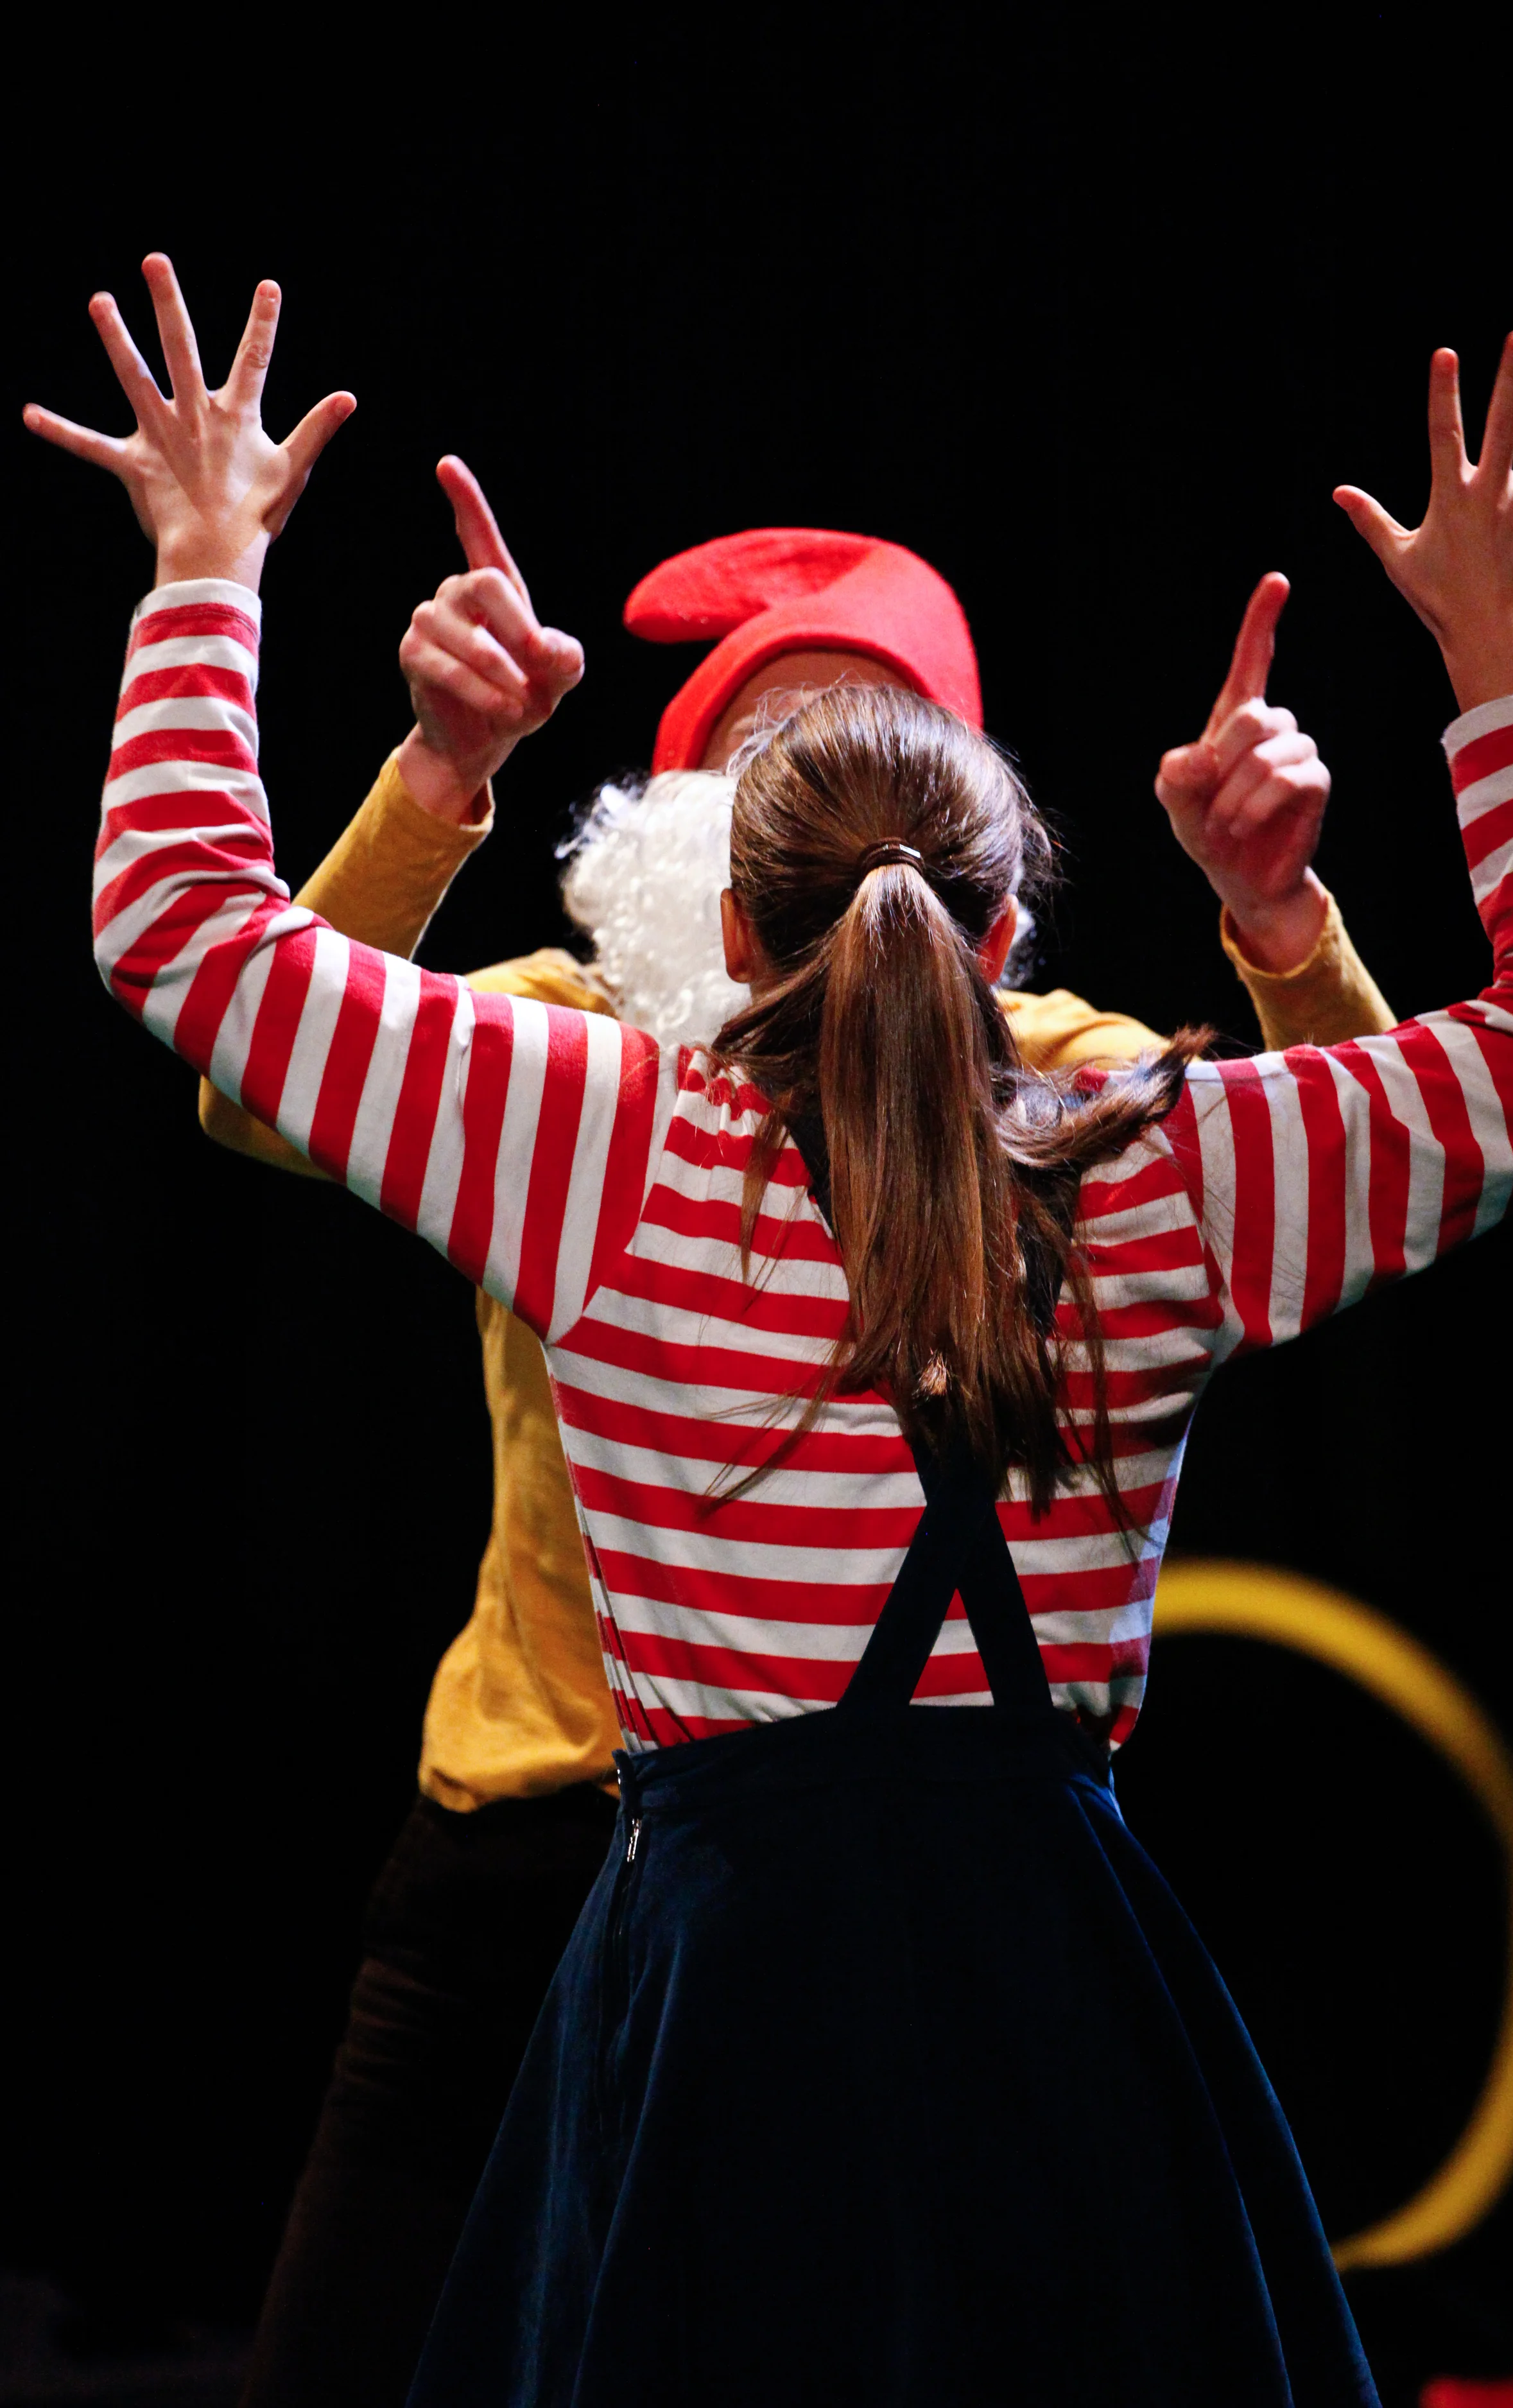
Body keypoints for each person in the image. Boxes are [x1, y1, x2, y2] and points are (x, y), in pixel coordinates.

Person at [29, 257, 1513, 2403]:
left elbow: (182, 933)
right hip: (990, 1953)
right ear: (1002, 906)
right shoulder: (1147, 1154)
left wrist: (209, 563)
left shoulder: (582, 1138)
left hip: (716, 1960)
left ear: (734, 896)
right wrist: (1499, 659)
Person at [183, 494, 1389, 2391]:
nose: (816, 770)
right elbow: (257, 1089)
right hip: (535, 1836)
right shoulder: (568, 1054)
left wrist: (1278, 922)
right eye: (768, 739)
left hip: (872, 1883)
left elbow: (1344, 1170)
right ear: (696, 819)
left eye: (865, 732)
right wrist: (435, 779)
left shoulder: (1057, 1080)